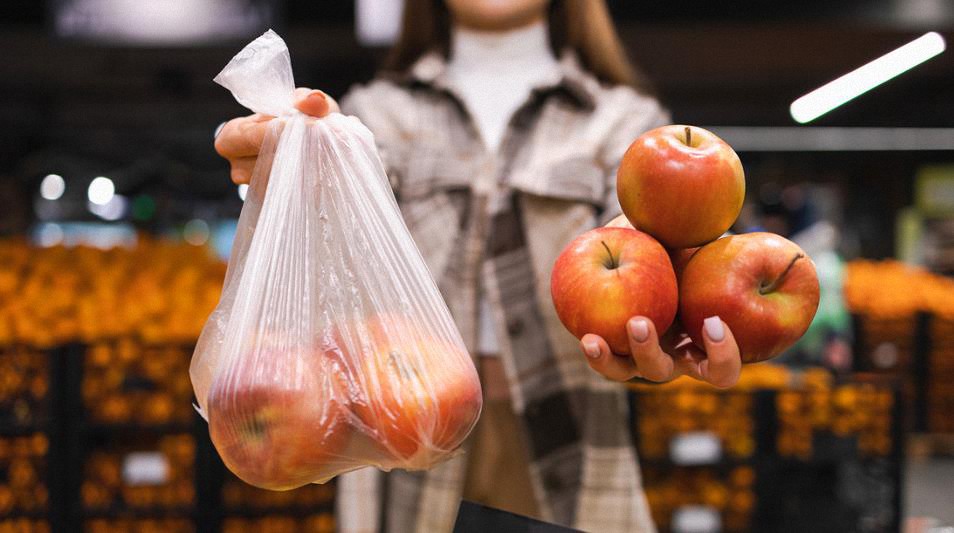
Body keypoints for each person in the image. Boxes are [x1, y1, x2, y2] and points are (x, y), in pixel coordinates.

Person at [214, 1, 742, 531]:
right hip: (398, 437)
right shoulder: (375, 114)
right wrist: (296, 163)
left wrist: (676, 309)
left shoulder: (626, 122)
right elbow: (335, 261)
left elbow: (644, 262)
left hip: (571, 449)